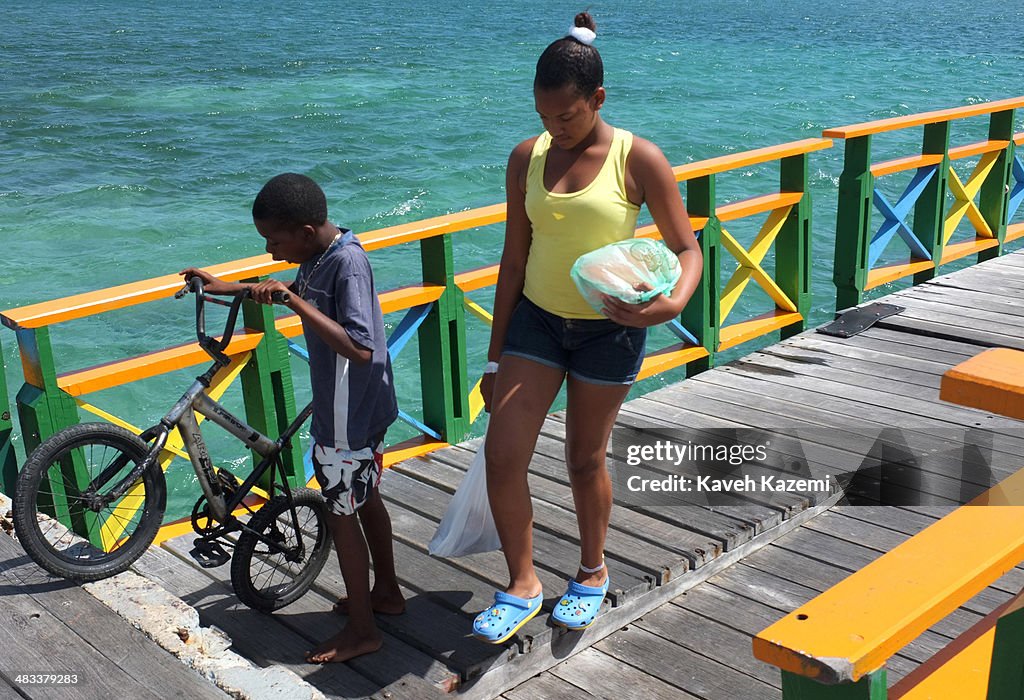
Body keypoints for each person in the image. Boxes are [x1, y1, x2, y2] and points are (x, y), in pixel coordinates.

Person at [472, 13, 703, 643]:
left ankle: (592, 573)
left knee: (582, 459)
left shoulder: (638, 157)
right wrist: (495, 359)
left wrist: (669, 306)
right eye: (545, 116)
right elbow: (514, 257)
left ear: (597, 99)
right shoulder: (527, 157)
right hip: (537, 324)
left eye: (567, 116)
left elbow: (688, 250)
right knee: (502, 454)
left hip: (612, 326)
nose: (554, 128)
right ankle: (522, 584)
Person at [181, 173, 403, 663]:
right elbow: (286, 286)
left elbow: (362, 347)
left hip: (349, 413)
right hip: (363, 407)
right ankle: (386, 592)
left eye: (274, 240)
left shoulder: (345, 263)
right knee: (365, 500)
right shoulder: (323, 252)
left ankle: (363, 631)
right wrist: (229, 287)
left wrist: (292, 300)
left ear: (304, 232)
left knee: (342, 513)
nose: (268, 250)